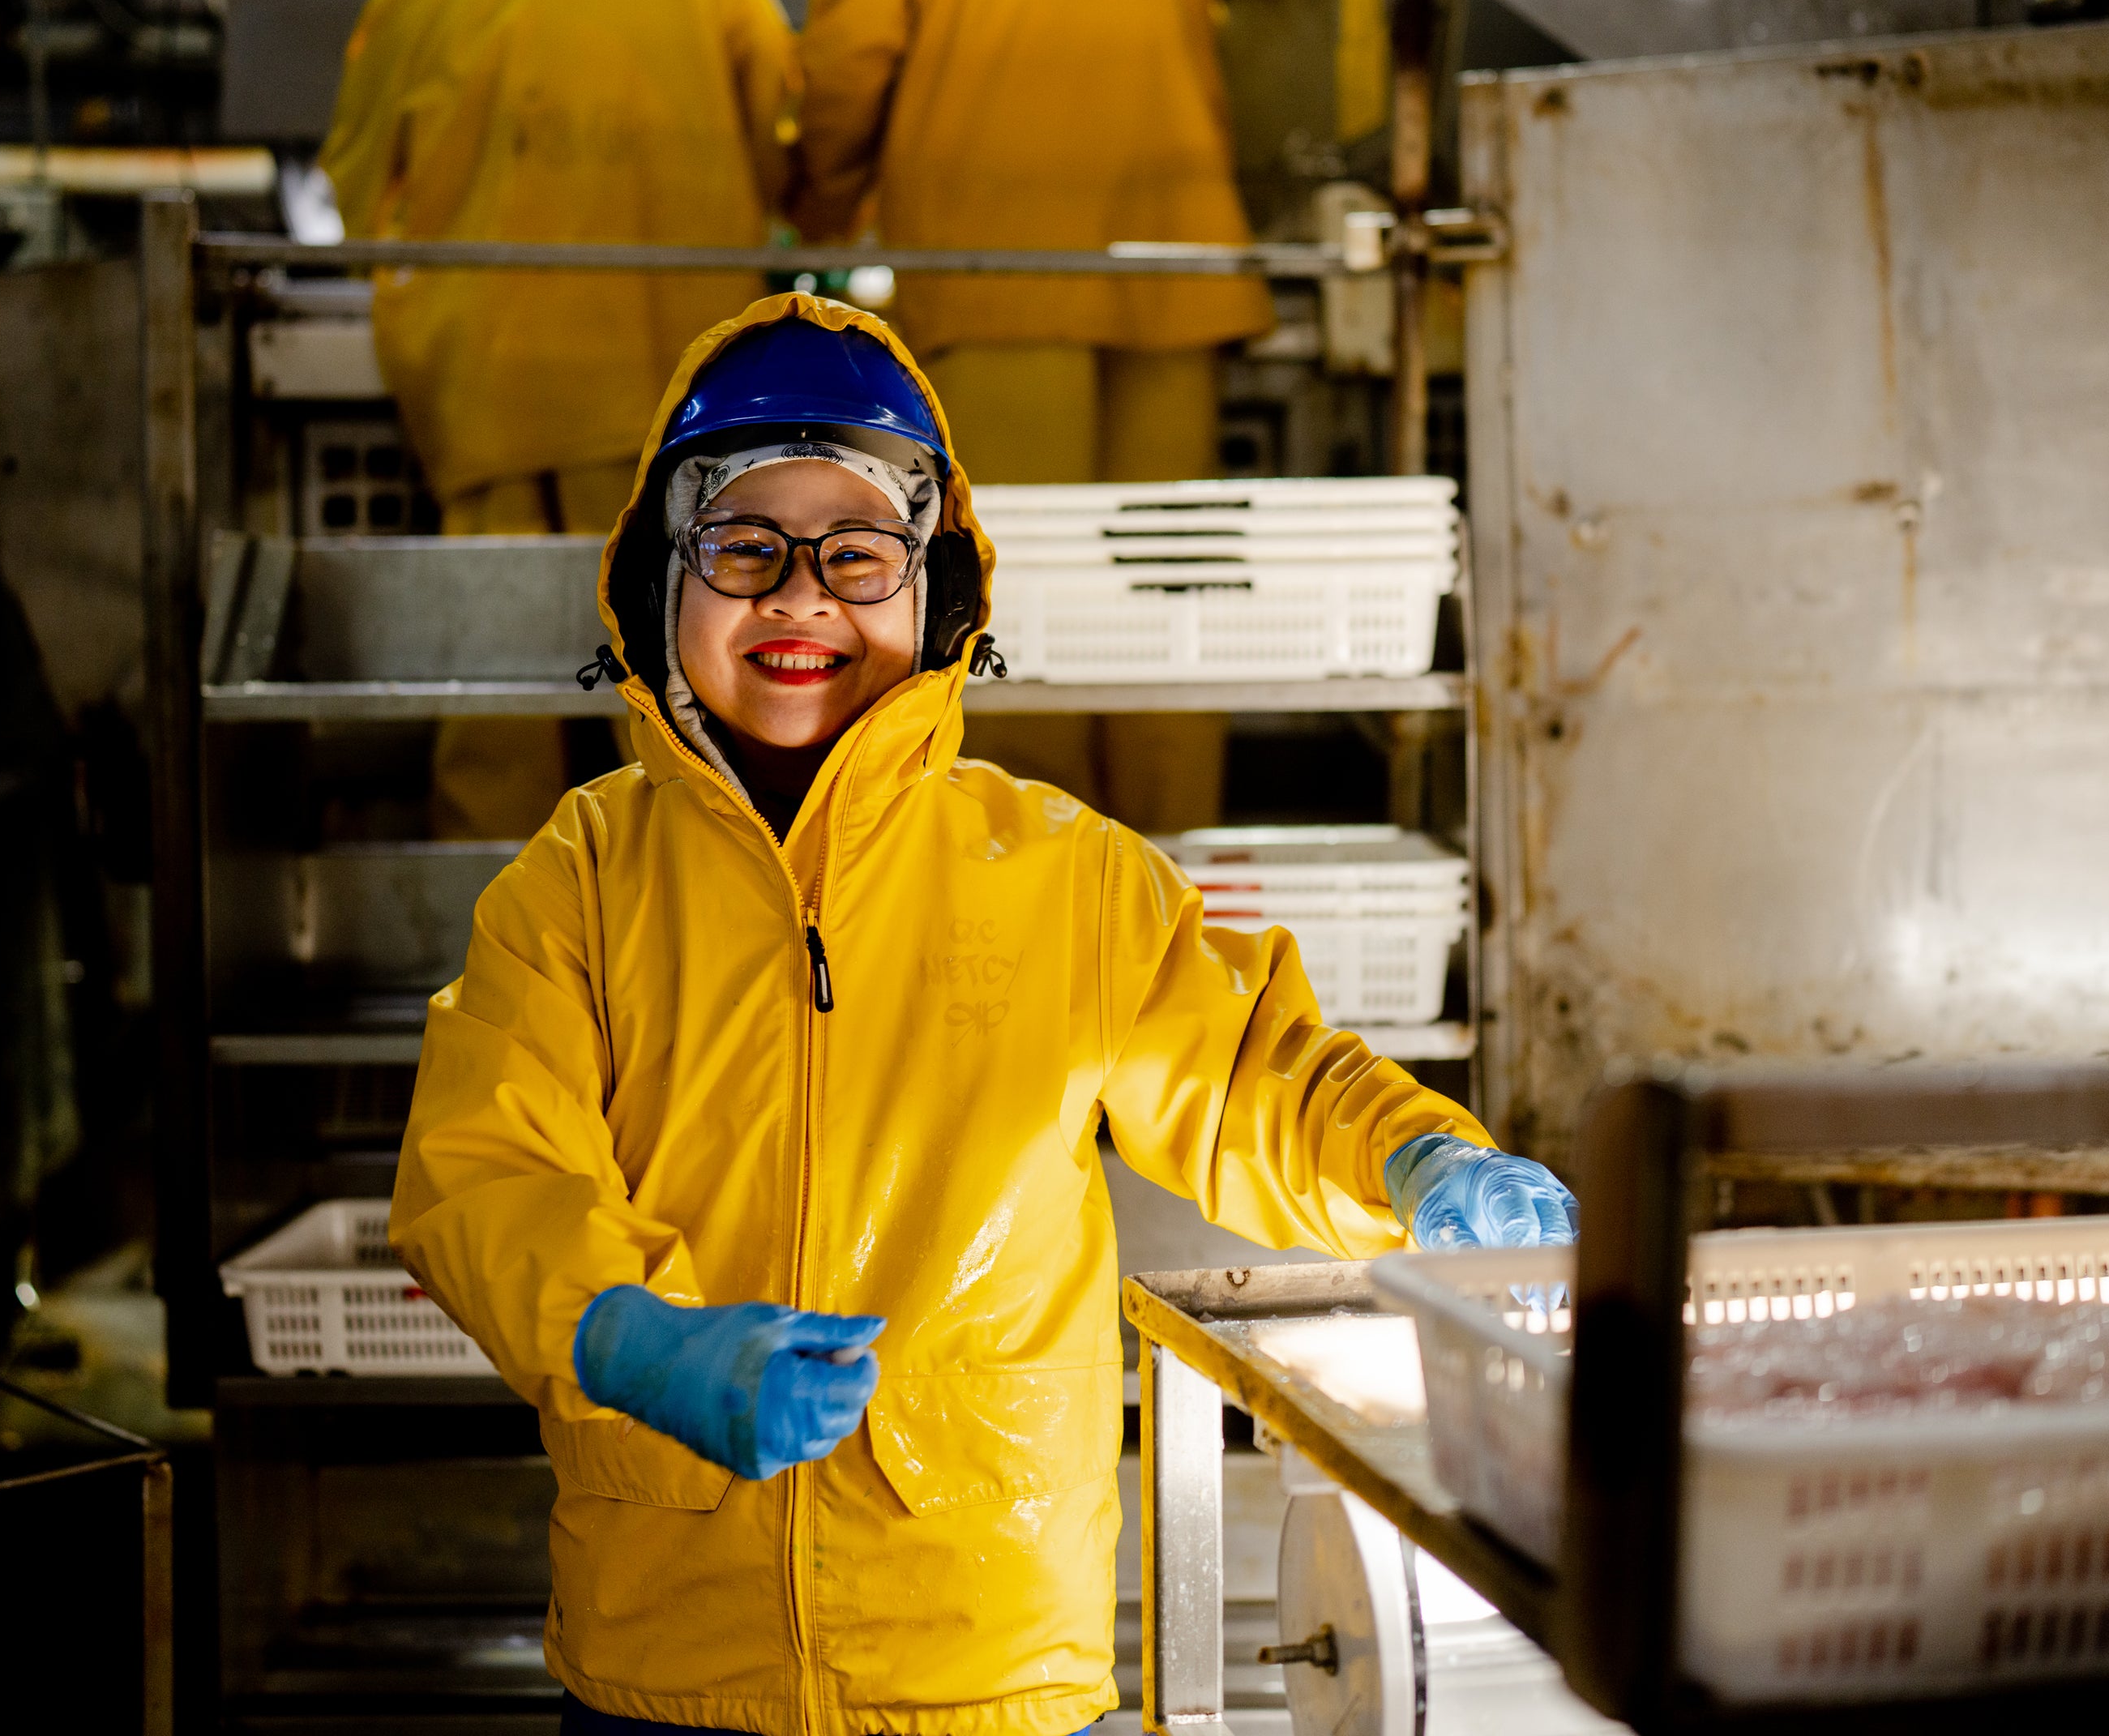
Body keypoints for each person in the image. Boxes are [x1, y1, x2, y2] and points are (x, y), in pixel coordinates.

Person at [390, 294, 1572, 1736]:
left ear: (938, 592)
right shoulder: (576, 885)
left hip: (986, 1660)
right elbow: (485, 1172)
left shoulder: (1065, 877)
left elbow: (1257, 1076)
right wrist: (633, 1338)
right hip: (663, 1660)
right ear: (657, 583)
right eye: (745, 547)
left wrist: (1418, 1160)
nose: (802, 600)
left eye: (859, 553)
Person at [791, 0, 1272, 836]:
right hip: (1175, 272)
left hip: (1001, 267)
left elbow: (854, 46)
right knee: (1164, 611)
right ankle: (1171, 890)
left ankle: (1028, 894)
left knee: (1021, 602)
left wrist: (817, 205)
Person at [320, 0, 798, 840]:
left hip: (491, 395)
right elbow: (787, 146)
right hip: (670, 393)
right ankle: (705, 920)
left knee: (494, 697)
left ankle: (495, 922)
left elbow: (355, 188)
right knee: (680, 691)